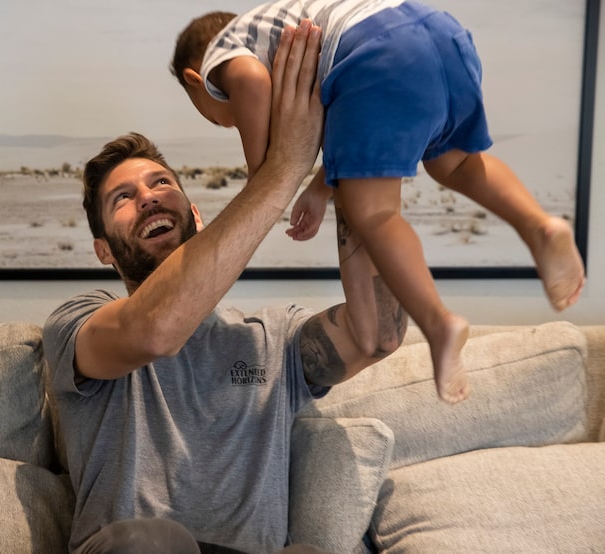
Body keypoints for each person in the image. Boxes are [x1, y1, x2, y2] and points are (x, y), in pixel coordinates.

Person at [44, 22, 407, 553]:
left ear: (195, 213)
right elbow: (155, 330)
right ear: (103, 249)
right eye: (123, 198)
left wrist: (365, 155)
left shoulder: (273, 338)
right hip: (134, 549)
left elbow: (378, 335)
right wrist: (284, 168)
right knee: (157, 542)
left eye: (161, 183)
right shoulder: (78, 324)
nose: (147, 197)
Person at [171, 0, 586, 404]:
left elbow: (252, 83)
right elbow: (349, 130)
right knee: (457, 165)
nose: (226, 119)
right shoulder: (286, 37)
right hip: (439, 34)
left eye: (213, 116)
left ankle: (438, 322)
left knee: (376, 213)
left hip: (378, 52)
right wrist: (318, 190)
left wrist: (261, 171)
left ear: (196, 80)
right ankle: (541, 227)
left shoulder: (223, 54)